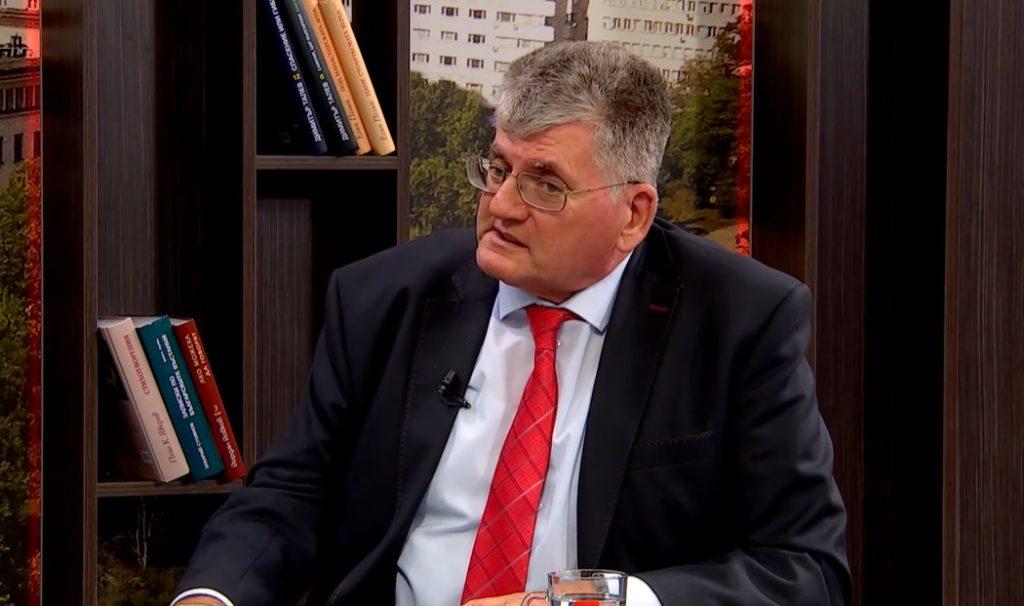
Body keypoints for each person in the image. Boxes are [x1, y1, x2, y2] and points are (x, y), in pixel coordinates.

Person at [173, 41, 850, 606]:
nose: (500, 205)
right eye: (498, 169)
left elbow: (804, 568)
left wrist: (598, 602)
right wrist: (212, 595)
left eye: (545, 185)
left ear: (634, 214)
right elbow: (292, 493)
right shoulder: (384, 297)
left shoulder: (739, 321)